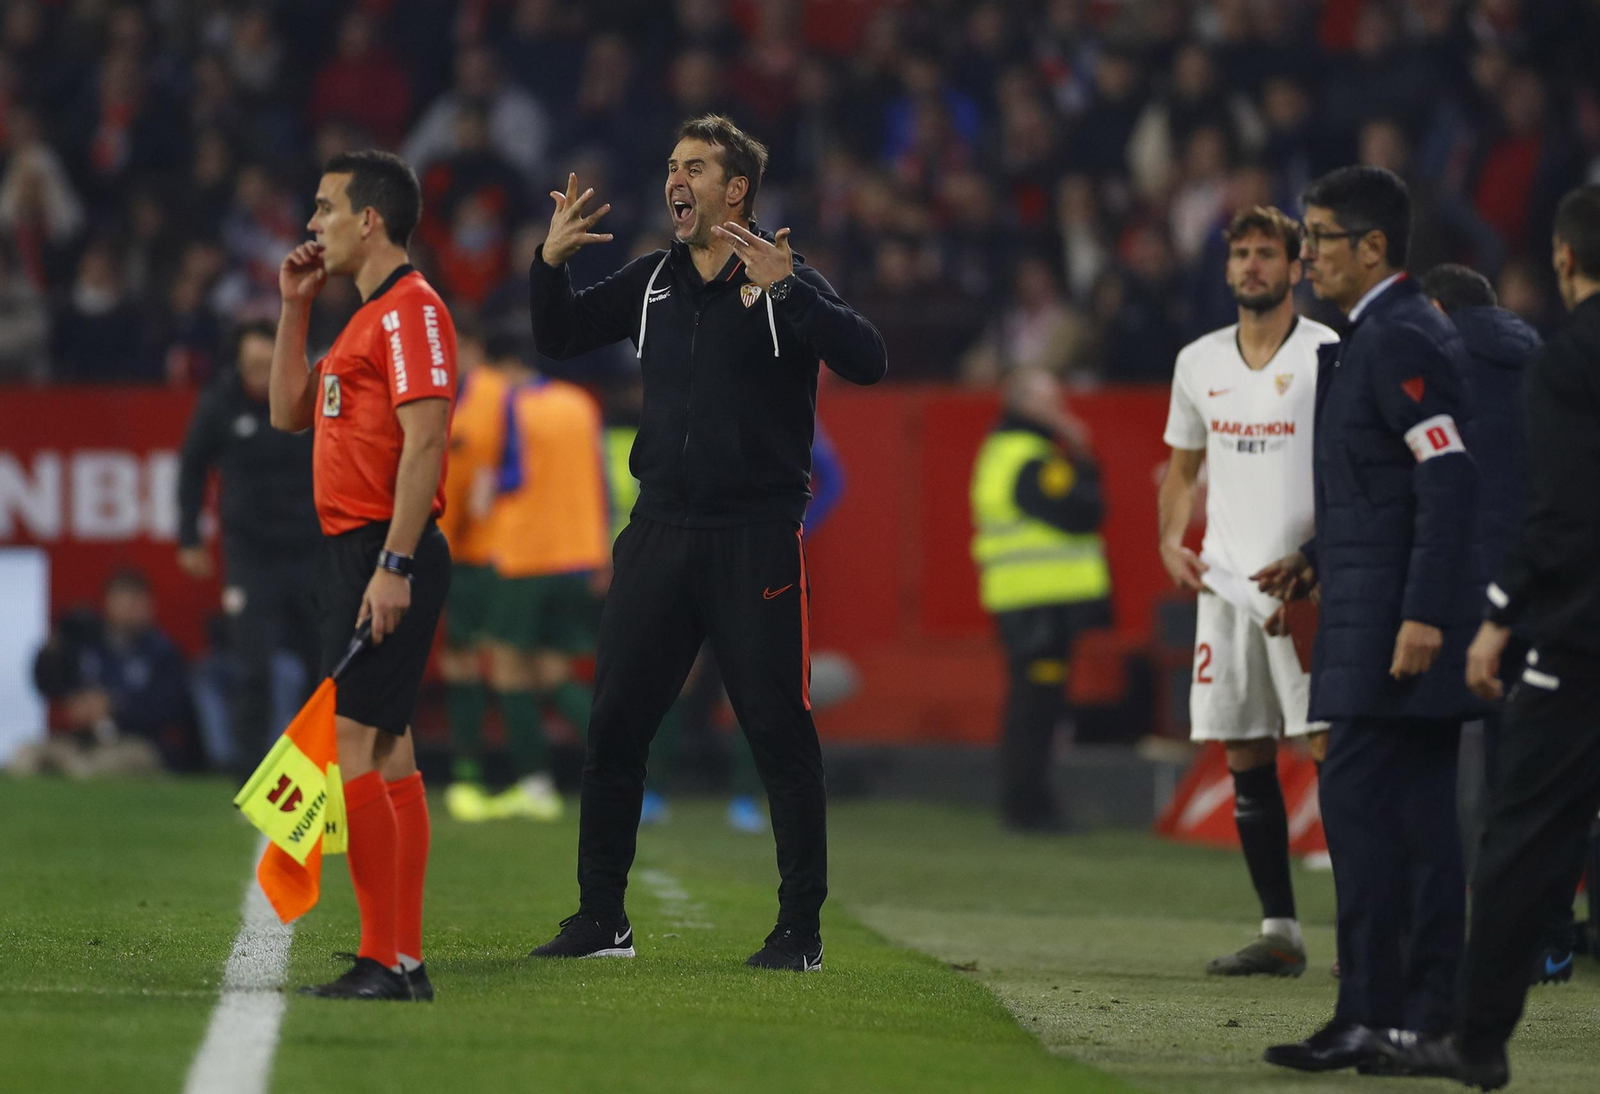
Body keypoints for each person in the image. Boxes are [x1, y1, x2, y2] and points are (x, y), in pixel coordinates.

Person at [524, 114, 887, 971]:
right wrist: (548, 265)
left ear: (737, 191)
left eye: (695, 167)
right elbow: (559, 336)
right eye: (671, 165)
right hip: (657, 530)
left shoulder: (781, 277)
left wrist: (794, 288)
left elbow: (869, 360)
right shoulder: (652, 281)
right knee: (615, 723)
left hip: (753, 536)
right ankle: (601, 918)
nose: (674, 180)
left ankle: (800, 931)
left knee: (776, 731)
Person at [1257, 166, 1482, 1072]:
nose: (1307, 257)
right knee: (1419, 828)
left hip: (1387, 630)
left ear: (1373, 247)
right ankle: (1415, 1022)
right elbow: (1386, 488)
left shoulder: (1395, 337)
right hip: (1370, 613)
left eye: (1319, 238)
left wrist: (1423, 613)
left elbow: (1449, 473)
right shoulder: (1379, 335)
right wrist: (1315, 561)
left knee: (1363, 818)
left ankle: (1374, 1013)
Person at [1380, 184, 1600, 1089]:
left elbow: (1562, 515)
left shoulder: (1565, 362)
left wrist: (1499, 613)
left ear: (1560, 257)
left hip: (1577, 638)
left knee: (1520, 832)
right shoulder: (1540, 354)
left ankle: (1474, 1038)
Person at [268, 150, 457, 1001]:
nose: (314, 225)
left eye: (324, 208)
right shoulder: (361, 318)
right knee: (387, 747)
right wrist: (293, 309)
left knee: (352, 747)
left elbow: (426, 443)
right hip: (360, 551)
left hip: (385, 549)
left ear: (369, 220)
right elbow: (286, 412)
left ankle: (389, 960)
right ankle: (399, 958)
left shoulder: (412, 310)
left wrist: (394, 563)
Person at [1159, 206, 1340, 976]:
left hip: (1310, 590)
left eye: (1269, 253)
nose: (1254, 265)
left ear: (1297, 267)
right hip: (1229, 586)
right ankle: (1281, 932)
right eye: (1243, 253)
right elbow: (1183, 468)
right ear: (1228, 267)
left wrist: (1327, 557)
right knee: (1244, 750)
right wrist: (1171, 537)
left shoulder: (1328, 352)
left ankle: (1365, 930)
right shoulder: (1198, 361)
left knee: (1334, 751)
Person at [1421, 263, 1585, 986]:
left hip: (1453, 598)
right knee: (1534, 780)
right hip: (1549, 594)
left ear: (1434, 308)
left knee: (1423, 777)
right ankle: (1547, 939)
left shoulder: (1427, 368)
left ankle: (1426, 940)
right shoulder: (1551, 361)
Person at [176, 319, 321, 774]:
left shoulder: (314, 397)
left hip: (310, 551)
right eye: (252, 365)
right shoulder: (220, 403)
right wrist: (188, 536)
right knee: (253, 668)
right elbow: (191, 468)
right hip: (251, 557)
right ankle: (248, 772)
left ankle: (312, 766)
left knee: (321, 667)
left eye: (269, 363)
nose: (261, 374)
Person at [970, 367, 1111, 832]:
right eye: (1048, 399)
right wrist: (1085, 455)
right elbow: (1084, 511)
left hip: (1026, 599)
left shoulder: (1004, 452)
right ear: (1023, 404)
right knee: (1036, 707)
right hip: (1038, 603)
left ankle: (1027, 803)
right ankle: (1029, 807)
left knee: (1033, 705)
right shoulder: (1029, 458)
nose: (1059, 408)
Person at [479, 331, 611, 823]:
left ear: (507, 364)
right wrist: (601, 553)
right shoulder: (579, 404)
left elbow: (506, 478)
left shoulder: (508, 407)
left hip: (525, 555)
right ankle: (622, 769)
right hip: (580, 555)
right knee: (556, 674)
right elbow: (599, 479)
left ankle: (535, 786)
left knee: (510, 668)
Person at [438, 324, 511, 822]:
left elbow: (522, 463)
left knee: (507, 662)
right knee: (457, 660)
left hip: (496, 551)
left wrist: (498, 484)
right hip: (448, 549)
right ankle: (469, 774)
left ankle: (530, 775)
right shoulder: (440, 392)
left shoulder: (500, 397)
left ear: (476, 347)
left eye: (457, 344)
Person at [23, 569, 193, 776]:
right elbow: (48, 684)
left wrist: (114, 705)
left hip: (135, 743)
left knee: (91, 769)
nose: (130, 610)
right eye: (123, 601)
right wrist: (55, 647)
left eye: (136, 602)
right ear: (108, 603)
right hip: (82, 740)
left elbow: (169, 708)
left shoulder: (161, 652)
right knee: (25, 757)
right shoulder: (89, 643)